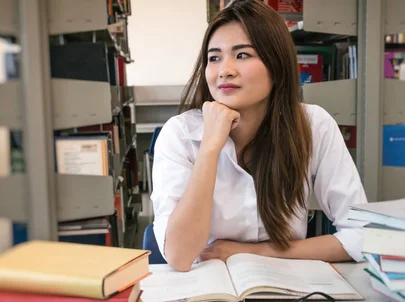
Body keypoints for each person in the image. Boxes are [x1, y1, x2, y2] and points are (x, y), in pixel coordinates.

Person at [151, 0, 367, 272]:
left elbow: (362, 235)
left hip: (287, 290)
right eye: (214, 57)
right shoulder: (181, 134)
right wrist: (210, 148)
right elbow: (179, 256)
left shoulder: (313, 125)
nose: (224, 70)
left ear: (276, 65)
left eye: (242, 55)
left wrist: (252, 253)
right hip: (208, 293)